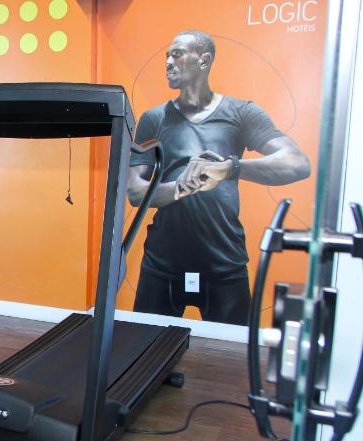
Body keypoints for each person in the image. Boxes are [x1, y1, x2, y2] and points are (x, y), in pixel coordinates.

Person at [127, 30, 311, 325]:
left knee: (233, 351)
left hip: (224, 264)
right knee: (145, 348)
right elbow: (135, 192)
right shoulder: (153, 119)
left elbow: (297, 163)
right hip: (162, 265)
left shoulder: (242, 112)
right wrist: (182, 187)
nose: (168, 62)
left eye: (177, 54)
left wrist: (230, 168)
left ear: (204, 60)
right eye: (167, 56)